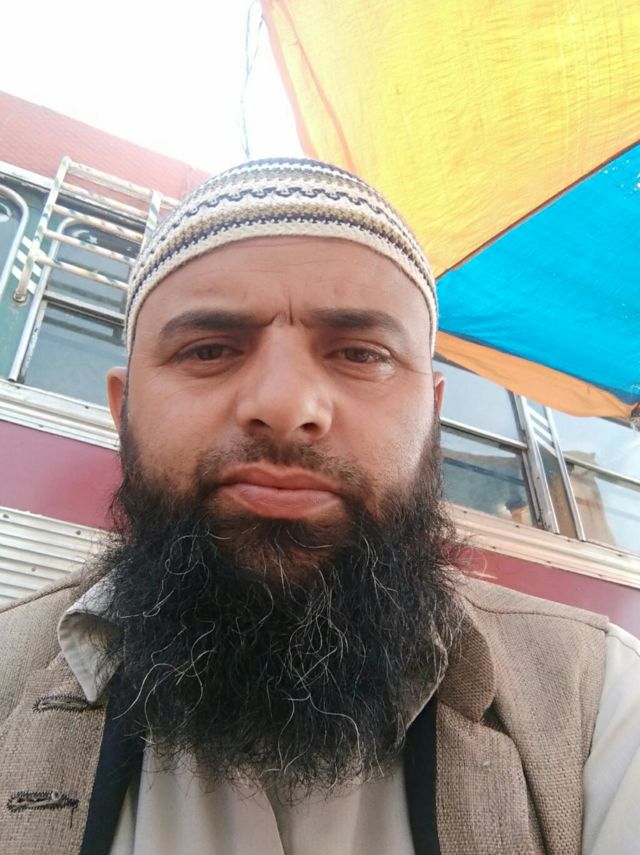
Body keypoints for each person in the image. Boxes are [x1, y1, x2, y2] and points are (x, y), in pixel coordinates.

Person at [0, 158, 638, 855]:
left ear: (431, 418)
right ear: (123, 411)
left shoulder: (599, 703)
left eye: (361, 354)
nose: (284, 405)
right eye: (208, 349)